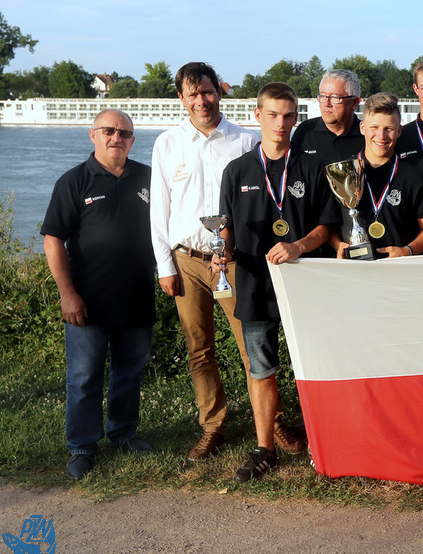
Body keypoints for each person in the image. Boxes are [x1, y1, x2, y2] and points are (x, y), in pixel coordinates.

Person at [150, 62, 304, 461]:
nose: (201, 100)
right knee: (199, 349)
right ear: (181, 99)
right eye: (192, 94)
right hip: (187, 260)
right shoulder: (167, 144)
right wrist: (164, 264)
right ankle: (213, 426)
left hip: (236, 263)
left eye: (207, 91)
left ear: (219, 92)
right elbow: (159, 212)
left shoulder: (244, 141)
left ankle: (274, 424)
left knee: (250, 347)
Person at [216, 83, 338, 482]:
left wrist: (299, 246)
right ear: (257, 115)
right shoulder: (236, 171)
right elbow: (226, 229)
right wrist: (224, 252)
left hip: (305, 284)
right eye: (273, 115)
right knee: (261, 369)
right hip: (254, 284)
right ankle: (264, 448)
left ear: (296, 118)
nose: (281, 124)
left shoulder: (311, 168)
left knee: (316, 364)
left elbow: (326, 226)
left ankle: (326, 443)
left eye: (289, 116)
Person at [42, 110, 154, 480]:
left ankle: (123, 432)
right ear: (93, 135)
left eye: (124, 133)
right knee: (84, 377)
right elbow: (53, 240)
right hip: (87, 301)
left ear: (132, 140)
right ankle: (82, 445)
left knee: (129, 373)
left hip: (137, 297)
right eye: (109, 131)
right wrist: (67, 294)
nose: (116, 138)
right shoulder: (74, 181)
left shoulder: (148, 178)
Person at [330, 93, 423, 259]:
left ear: (399, 131)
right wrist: (337, 245)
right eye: (374, 127)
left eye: (389, 129)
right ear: (362, 128)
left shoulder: (413, 176)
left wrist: (407, 251)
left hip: (398, 271)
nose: (381, 136)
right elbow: (328, 225)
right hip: (353, 269)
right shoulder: (341, 172)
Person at [291, 69, 363, 166]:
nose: (326, 103)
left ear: (355, 103)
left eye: (334, 98)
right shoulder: (305, 131)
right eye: (323, 96)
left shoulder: (369, 136)